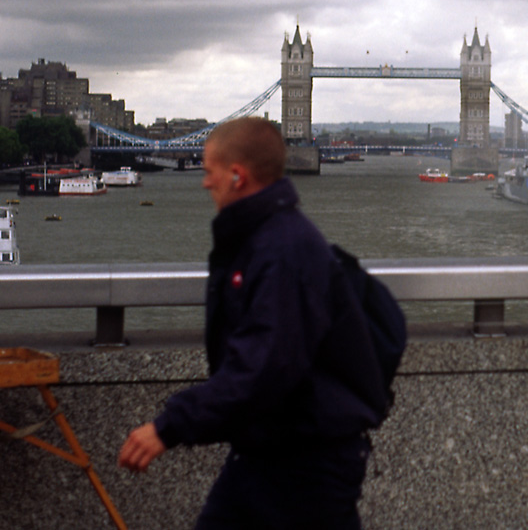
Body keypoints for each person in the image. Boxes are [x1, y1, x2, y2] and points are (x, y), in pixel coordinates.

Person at [118, 117, 388, 529]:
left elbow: (264, 363)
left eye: (210, 171)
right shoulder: (263, 238)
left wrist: (170, 426)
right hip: (269, 451)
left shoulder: (280, 250)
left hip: (306, 466)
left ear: (238, 175)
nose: (205, 183)